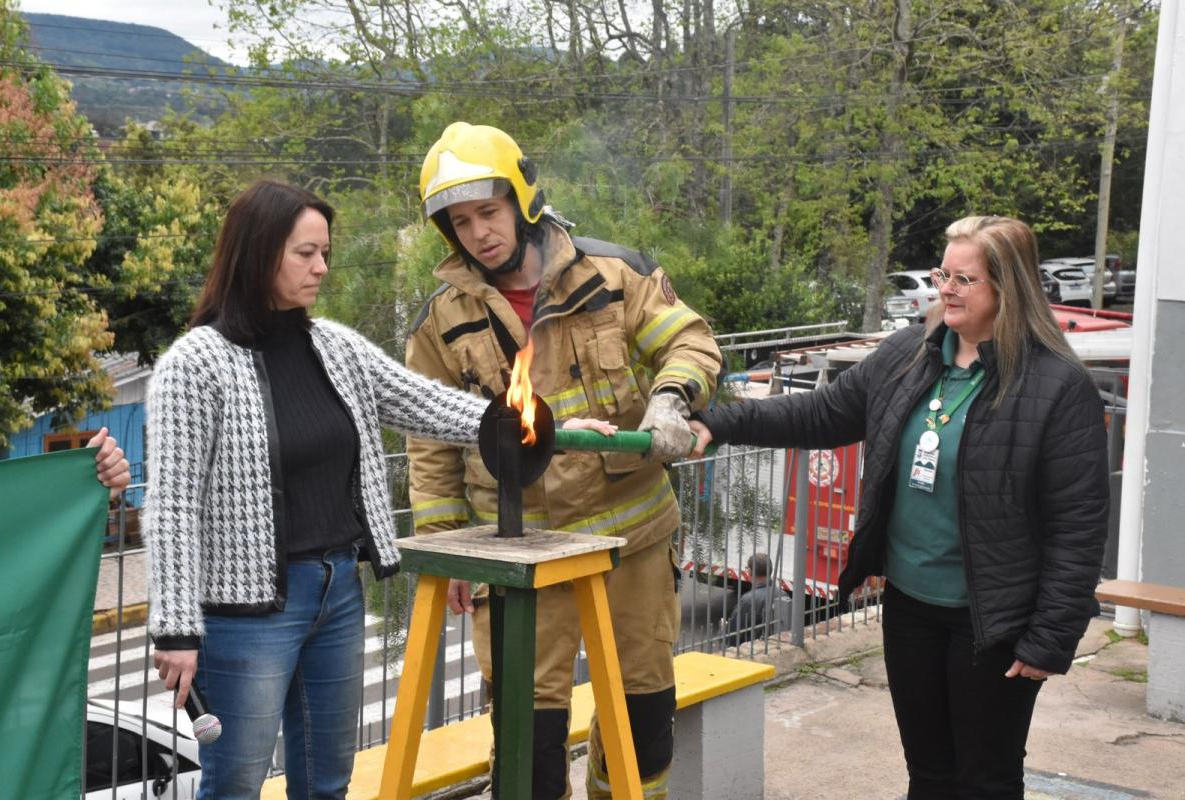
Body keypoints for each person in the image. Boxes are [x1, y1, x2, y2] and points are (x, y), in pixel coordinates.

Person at [689, 215, 1108, 799]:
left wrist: (1051, 639)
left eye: (966, 280)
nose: (946, 290)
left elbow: (1078, 526)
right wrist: (716, 422)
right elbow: (819, 414)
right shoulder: (909, 354)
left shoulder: (1057, 388)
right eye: (944, 274)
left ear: (1008, 289)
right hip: (910, 607)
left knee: (985, 781)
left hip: (993, 623)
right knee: (929, 775)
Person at [405, 122, 722, 799]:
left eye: (488, 211)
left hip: (628, 540)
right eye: (460, 222)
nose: (479, 232)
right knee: (529, 743)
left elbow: (689, 343)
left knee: (643, 726)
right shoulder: (442, 321)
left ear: (522, 200)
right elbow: (428, 439)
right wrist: (440, 543)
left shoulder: (613, 274)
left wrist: (670, 401)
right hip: (518, 552)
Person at [143, 180, 489, 800]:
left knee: (328, 779)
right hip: (247, 614)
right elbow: (172, 505)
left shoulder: (333, 346)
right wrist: (175, 629)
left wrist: (530, 425)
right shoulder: (195, 364)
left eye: (325, 252)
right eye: (306, 253)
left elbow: (427, 404)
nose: (321, 267)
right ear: (259, 252)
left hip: (338, 593)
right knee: (235, 785)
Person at [724, 552, 783, 647]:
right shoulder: (782, 594)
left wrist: (724, 628)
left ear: (750, 572)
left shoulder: (747, 600)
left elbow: (733, 634)